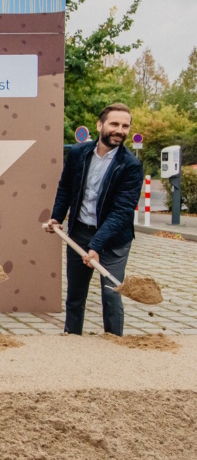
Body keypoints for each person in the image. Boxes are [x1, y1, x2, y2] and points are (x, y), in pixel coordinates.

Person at [44, 103, 143, 336]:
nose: (120, 130)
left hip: (114, 240)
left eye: (125, 126)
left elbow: (122, 212)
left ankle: (113, 343)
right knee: (75, 295)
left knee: (111, 293)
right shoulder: (78, 153)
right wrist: (57, 217)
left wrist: (96, 245)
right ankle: (72, 341)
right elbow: (65, 187)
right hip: (79, 232)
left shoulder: (131, 165)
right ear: (100, 125)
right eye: (114, 124)